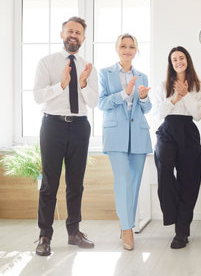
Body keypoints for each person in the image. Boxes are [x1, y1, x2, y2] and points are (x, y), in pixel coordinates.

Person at [33, 16, 98, 256]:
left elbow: (93, 101)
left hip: (80, 127)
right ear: (62, 35)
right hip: (53, 126)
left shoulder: (89, 67)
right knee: (49, 183)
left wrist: (82, 84)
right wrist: (61, 85)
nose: (74, 35)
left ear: (83, 38)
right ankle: (44, 236)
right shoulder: (47, 62)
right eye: (70, 31)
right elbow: (38, 97)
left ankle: (74, 232)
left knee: (75, 184)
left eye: (78, 32)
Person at [98, 33, 152, 251]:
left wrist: (144, 97)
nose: (127, 49)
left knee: (135, 183)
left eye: (131, 46)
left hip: (138, 134)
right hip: (115, 135)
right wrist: (124, 93)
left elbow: (146, 109)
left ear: (136, 50)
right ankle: (128, 229)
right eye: (123, 46)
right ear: (117, 48)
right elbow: (101, 103)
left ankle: (126, 225)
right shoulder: (105, 73)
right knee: (123, 182)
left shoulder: (143, 76)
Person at [152, 46, 201, 249]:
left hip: (189, 131)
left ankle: (181, 232)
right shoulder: (163, 85)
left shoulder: (199, 86)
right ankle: (173, 212)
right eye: (174, 59)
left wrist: (187, 95)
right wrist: (175, 97)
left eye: (181, 58)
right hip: (167, 130)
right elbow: (159, 113)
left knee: (189, 182)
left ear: (187, 60)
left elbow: (198, 115)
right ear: (171, 63)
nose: (178, 62)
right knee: (164, 168)